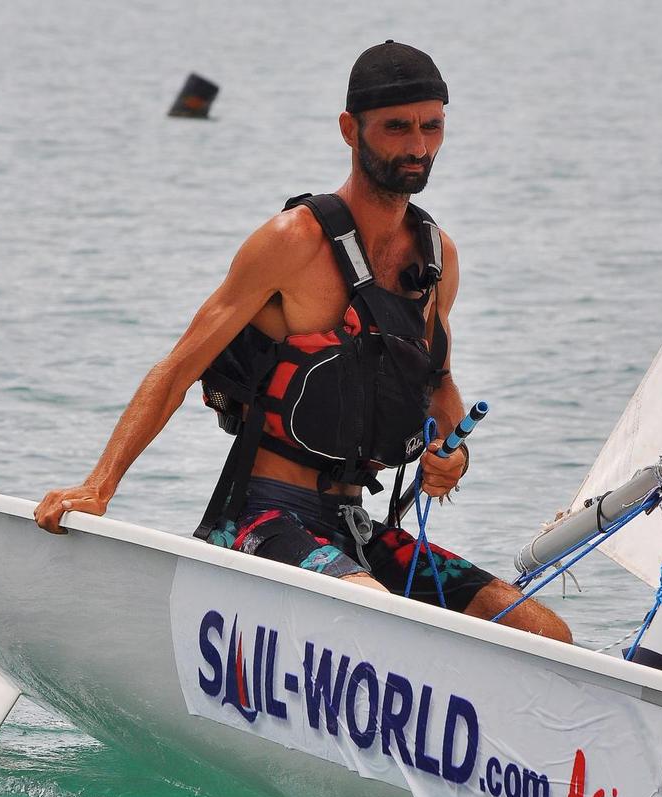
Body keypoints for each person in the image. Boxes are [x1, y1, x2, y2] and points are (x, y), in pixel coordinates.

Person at [35, 41, 572, 643]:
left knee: (542, 631)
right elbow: (178, 368)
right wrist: (97, 487)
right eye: (397, 128)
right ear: (350, 129)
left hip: (353, 527)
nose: (418, 147)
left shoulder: (437, 257)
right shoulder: (293, 241)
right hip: (264, 518)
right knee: (377, 610)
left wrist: (453, 453)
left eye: (432, 127)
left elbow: (439, 384)